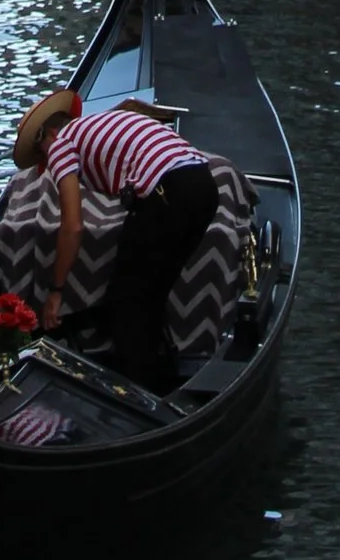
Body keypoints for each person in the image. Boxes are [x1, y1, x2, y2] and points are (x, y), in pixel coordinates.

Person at [13, 86, 217, 387]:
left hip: (167, 193)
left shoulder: (60, 144)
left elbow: (73, 226)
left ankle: (136, 401)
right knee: (152, 295)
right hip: (203, 187)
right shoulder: (107, 122)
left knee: (127, 306)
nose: (47, 163)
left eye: (40, 153)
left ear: (47, 135)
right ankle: (161, 382)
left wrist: (55, 292)